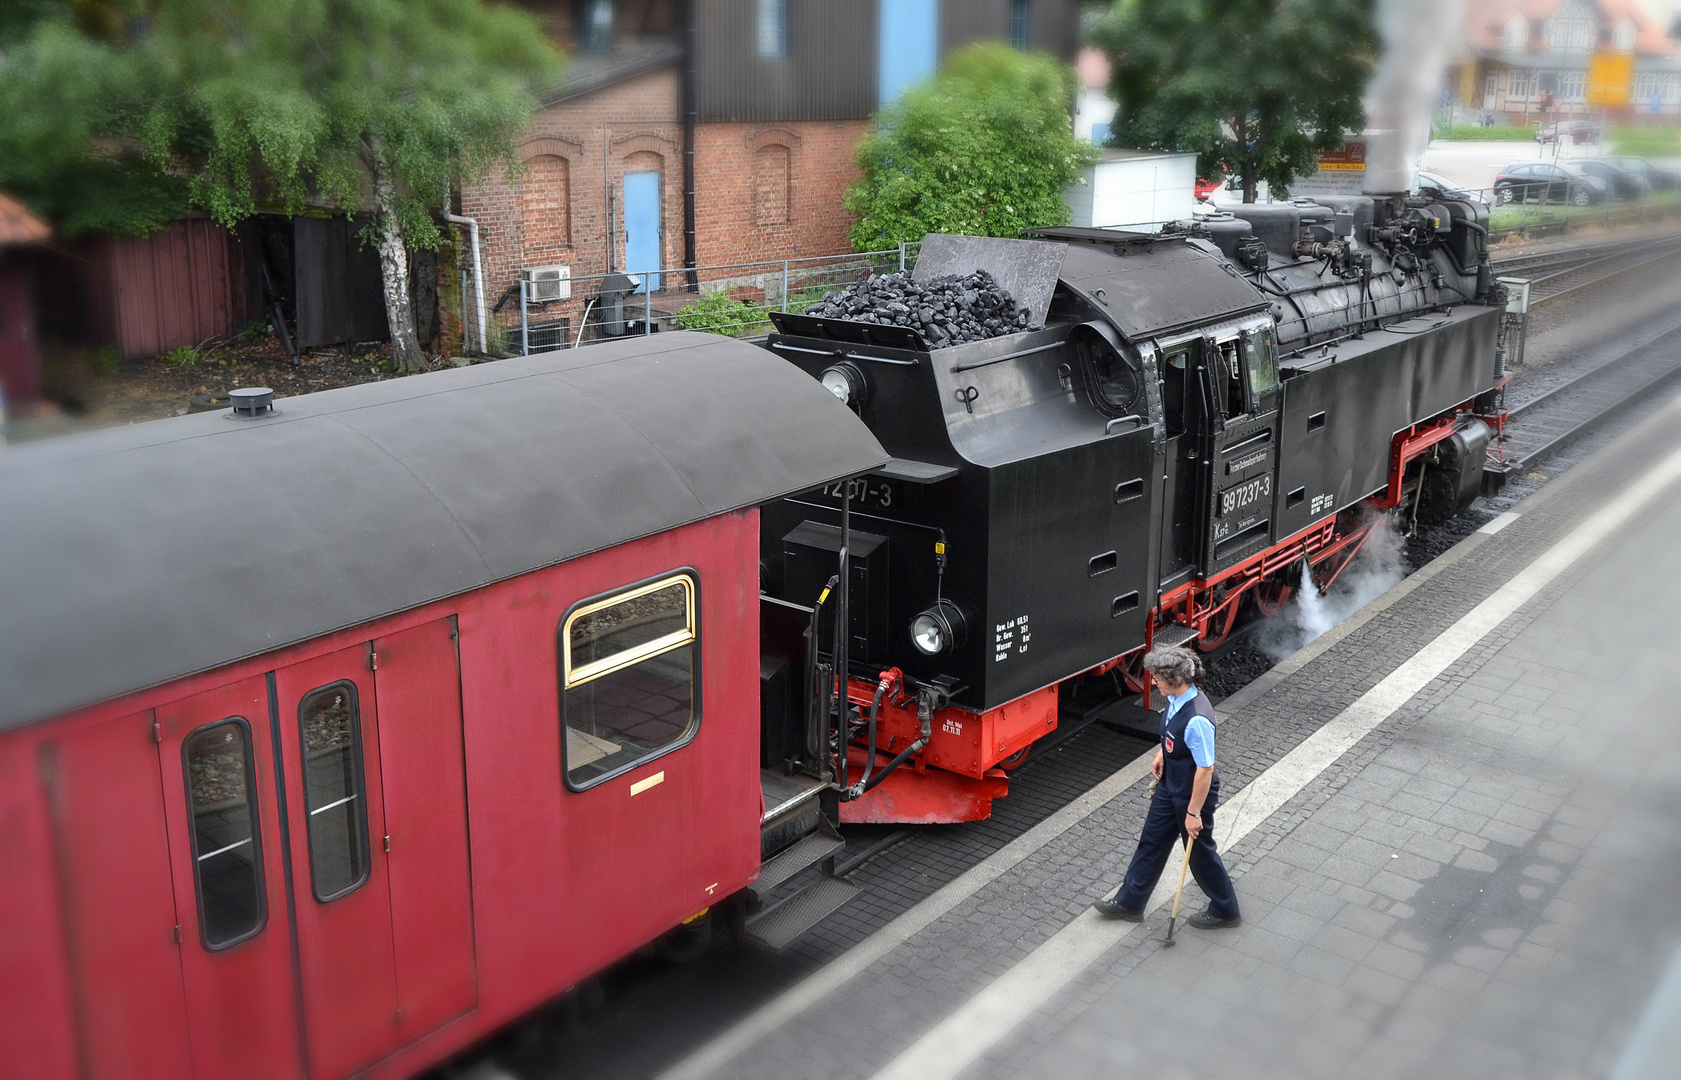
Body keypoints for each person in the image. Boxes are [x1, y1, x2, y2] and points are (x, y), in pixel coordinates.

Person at [1094, 645, 1241, 928]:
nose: (1153, 681)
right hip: (1170, 786)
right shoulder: (1176, 700)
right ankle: (1129, 903)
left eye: (1158, 677)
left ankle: (1226, 910)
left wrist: (1194, 813)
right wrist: (1164, 753)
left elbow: (1205, 769)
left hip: (1191, 795)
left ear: (1176, 680)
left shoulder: (1197, 719)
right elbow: (1174, 735)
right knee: (1151, 842)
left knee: (1199, 853)